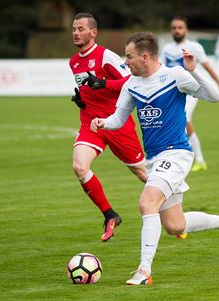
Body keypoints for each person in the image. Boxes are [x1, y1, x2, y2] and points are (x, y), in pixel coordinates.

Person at [91, 31, 219, 285]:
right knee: (175, 225)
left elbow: (215, 96)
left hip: (177, 153)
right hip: (154, 158)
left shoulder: (174, 76)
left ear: (145, 57)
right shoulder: (131, 84)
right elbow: (119, 118)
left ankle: (144, 270)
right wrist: (103, 122)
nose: (125, 62)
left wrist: (193, 70)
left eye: (129, 57)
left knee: (146, 202)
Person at [69, 12, 147, 242]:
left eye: (81, 29)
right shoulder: (73, 62)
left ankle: (175, 209)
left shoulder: (106, 56)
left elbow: (131, 81)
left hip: (117, 123)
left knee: (143, 173)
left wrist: (104, 83)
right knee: (79, 166)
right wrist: (82, 100)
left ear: (93, 33)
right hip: (91, 123)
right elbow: (88, 88)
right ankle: (110, 214)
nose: (76, 32)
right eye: (74, 28)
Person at [161, 16, 219, 172]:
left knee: (185, 119)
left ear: (186, 30)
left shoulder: (194, 47)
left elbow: (208, 67)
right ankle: (175, 157)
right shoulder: (166, 49)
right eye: (174, 28)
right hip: (173, 93)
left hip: (190, 91)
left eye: (180, 27)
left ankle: (199, 160)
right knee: (174, 123)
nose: (177, 30)